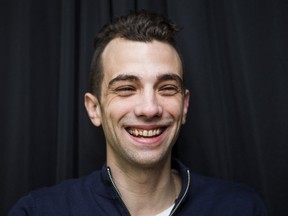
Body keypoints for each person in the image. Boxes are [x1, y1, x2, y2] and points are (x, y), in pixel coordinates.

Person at [9, 10, 267, 216]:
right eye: (126, 88)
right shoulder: (38, 211)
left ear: (185, 105)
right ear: (94, 108)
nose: (149, 108)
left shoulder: (241, 208)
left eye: (167, 88)